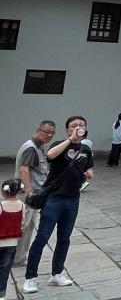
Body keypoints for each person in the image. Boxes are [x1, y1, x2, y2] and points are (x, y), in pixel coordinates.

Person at [23, 116, 94, 294]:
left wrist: (89, 173)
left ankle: (57, 273)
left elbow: (88, 167)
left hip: (73, 199)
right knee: (42, 237)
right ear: (67, 129)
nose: (78, 127)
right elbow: (50, 155)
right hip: (54, 199)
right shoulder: (60, 144)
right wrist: (70, 140)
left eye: (81, 125)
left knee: (64, 238)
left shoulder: (86, 149)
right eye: (74, 125)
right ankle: (30, 277)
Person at [13, 120, 55, 266]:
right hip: (27, 194)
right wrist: (29, 192)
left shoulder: (39, 146)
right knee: (24, 226)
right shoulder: (31, 148)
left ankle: (18, 257)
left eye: (52, 133)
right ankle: (16, 258)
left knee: (27, 225)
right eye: (46, 132)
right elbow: (24, 170)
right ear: (38, 131)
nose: (49, 135)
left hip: (33, 193)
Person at [0, 178, 27, 299]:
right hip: (12, 243)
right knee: (4, 270)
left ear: (3, 192)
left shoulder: (1, 205)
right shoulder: (22, 205)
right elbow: (22, 223)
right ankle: (1, 294)